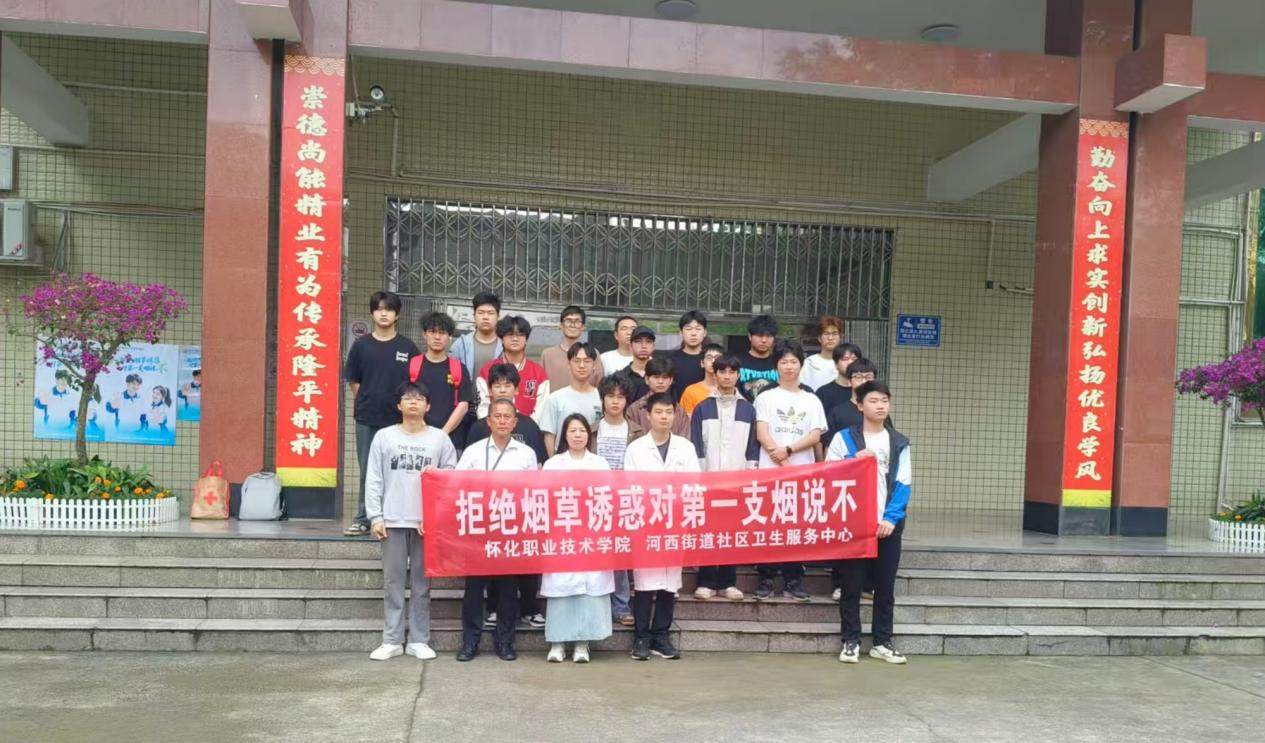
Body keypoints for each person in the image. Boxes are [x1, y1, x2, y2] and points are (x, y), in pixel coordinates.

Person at [364, 381, 457, 662]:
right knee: (392, 582)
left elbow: (452, 477)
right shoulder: (384, 437)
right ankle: (392, 639)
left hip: (425, 522)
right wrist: (375, 516)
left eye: (419, 398)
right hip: (392, 519)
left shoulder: (440, 439)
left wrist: (437, 512)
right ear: (399, 405)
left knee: (421, 584)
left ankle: (418, 639)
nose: (413, 402)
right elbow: (374, 477)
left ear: (428, 406)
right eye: (407, 398)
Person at [826, 381, 911, 665]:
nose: (880, 406)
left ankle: (882, 642)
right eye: (874, 401)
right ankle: (850, 640)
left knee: (884, 588)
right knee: (851, 586)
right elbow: (829, 476)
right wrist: (854, 461)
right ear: (860, 406)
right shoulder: (843, 439)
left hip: (887, 527)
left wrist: (890, 518)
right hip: (854, 525)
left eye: (885, 400)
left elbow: (903, 484)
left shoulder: (899, 442)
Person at [454, 397, 539, 662]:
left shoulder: (526, 454)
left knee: (507, 589)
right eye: (497, 416)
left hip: (510, 530)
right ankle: (470, 642)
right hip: (478, 530)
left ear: (515, 422)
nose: (502, 421)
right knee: (473, 589)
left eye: (507, 417)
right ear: (488, 421)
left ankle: (504, 641)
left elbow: (533, 492)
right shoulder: (474, 451)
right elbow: (456, 485)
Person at [623, 392, 700, 661]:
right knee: (645, 582)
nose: (664, 417)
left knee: (670, 582)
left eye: (669, 412)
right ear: (648, 415)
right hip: (646, 523)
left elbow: (693, 485)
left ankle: (661, 637)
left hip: (675, 522)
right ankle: (641, 638)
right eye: (659, 412)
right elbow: (631, 487)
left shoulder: (685, 447)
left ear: (675, 415)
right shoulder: (636, 449)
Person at [753, 340, 826, 602]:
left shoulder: (811, 400)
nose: (789, 366)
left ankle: (794, 579)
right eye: (783, 362)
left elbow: (815, 435)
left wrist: (789, 450)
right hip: (770, 472)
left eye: (793, 361)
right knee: (769, 524)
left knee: (797, 526)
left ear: (801, 365)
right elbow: (762, 433)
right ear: (776, 366)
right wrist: (783, 462)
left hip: (802, 473)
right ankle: (766, 578)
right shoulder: (765, 397)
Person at [344, 291, 422, 536]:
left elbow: (414, 385)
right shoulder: (361, 345)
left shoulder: (408, 347)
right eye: (379, 309)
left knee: (396, 470)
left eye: (389, 309)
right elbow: (354, 381)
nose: (384, 313)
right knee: (368, 469)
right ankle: (363, 518)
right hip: (367, 417)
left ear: (397, 314)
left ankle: (392, 516)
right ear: (372, 313)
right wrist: (370, 399)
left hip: (399, 420)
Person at [541, 414, 615, 663]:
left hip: (592, 535)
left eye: (582, 430)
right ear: (564, 435)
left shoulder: (600, 463)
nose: (577, 435)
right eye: (572, 430)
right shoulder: (552, 464)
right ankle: (557, 643)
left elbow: (609, 498)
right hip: (562, 535)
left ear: (588, 435)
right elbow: (543, 498)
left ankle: (583, 643)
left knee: (589, 591)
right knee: (561, 590)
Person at [689, 353, 757, 601]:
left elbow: (752, 447)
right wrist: (699, 479)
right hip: (708, 480)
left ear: (738, 375)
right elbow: (696, 444)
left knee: (731, 531)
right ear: (714, 374)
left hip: (737, 482)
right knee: (708, 531)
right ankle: (706, 582)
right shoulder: (703, 408)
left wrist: (749, 478)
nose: (727, 376)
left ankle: (728, 582)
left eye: (731, 372)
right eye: (722, 371)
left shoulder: (748, 409)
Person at [588, 374, 641, 627]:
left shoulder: (638, 432)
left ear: (627, 400)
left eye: (620, 397)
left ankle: (621, 606)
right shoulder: (589, 430)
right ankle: (595, 604)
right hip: (595, 499)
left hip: (627, 499)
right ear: (602, 399)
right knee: (595, 553)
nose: (615, 402)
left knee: (620, 554)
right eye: (610, 396)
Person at [465, 364, 549, 465]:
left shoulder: (530, 426)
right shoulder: (477, 428)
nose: (502, 390)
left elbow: (540, 465)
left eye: (508, 385)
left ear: (516, 389)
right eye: (497, 386)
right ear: (490, 390)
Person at [415, 311, 475, 451]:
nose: (437, 337)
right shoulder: (413, 365)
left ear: (449, 336)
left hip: (451, 440)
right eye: (432, 332)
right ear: (424, 334)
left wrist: (443, 434)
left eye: (442, 333)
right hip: (417, 438)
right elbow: (406, 400)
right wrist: (423, 429)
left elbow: (463, 405)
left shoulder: (459, 368)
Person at [476, 315, 550, 419]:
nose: (515, 339)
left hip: (529, 427)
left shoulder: (539, 373)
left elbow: (542, 410)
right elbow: (483, 408)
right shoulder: (487, 370)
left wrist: (525, 426)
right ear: (502, 339)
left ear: (526, 339)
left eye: (520, 335)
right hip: (493, 427)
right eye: (510, 334)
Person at [535, 342, 603, 455]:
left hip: (593, 460)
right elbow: (549, 435)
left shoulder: (601, 398)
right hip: (563, 460)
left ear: (594, 365)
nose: (582, 366)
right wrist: (552, 461)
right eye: (576, 361)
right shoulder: (555, 398)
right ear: (568, 364)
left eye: (587, 361)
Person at [625, 354, 691, 437]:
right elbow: (631, 440)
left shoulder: (679, 411)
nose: (660, 382)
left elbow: (684, 440)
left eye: (664, 378)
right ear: (647, 379)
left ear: (671, 380)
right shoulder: (634, 410)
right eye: (656, 377)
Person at [540, 305, 604, 390]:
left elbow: (600, 387)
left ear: (583, 327)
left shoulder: (593, 353)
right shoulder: (548, 354)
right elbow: (540, 386)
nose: (572, 325)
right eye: (568, 321)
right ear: (561, 325)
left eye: (577, 321)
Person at [449, 292, 503, 382]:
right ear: (474, 316)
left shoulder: (505, 346)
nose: (485, 317)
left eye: (490, 313)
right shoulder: (460, 345)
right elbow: (451, 376)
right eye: (481, 313)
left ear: (498, 317)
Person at [738, 314, 779, 401]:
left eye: (768, 336)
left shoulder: (779, 362)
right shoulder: (737, 362)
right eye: (760, 335)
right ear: (750, 336)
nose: (764, 340)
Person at [669, 310, 709, 399]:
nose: (693, 333)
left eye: (698, 329)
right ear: (680, 333)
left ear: (705, 333)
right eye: (688, 329)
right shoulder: (670, 360)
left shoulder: (710, 359)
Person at [815, 342, 863, 414]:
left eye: (854, 359)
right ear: (836, 364)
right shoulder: (823, 392)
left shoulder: (866, 391)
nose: (850, 362)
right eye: (845, 359)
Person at [678, 343, 724, 415]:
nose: (713, 361)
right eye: (709, 358)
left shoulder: (730, 390)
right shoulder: (691, 392)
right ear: (702, 363)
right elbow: (685, 420)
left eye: (717, 357)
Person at [801, 316, 845, 391]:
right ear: (819, 338)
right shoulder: (809, 363)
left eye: (834, 334)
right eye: (826, 334)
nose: (830, 338)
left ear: (840, 337)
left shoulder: (846, 362)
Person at [614, 325, 656, 402]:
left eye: (648, 341)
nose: (644, 346)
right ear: (630, 346)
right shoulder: (620, 377)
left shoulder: (661, 377)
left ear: (654, 346)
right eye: (638, 341)